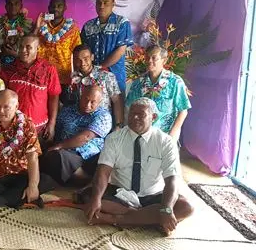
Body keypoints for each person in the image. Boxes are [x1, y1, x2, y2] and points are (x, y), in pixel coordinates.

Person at [78, 97, 194, 236]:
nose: (134, 117)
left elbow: (172, 179)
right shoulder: (114, 138)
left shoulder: (166, 142)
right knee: (91, 197)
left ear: (154, 117)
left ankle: (114, 219)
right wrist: (96, 199)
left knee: (186, 207)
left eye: (141, 114)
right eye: (132, 113)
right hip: (120, 193)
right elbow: (103, 172)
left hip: (153, 195)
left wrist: (167, 209)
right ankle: (149, 219)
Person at [0, 90, 55, 209]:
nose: (0, 111)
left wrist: (33, 185)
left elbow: (32, 157)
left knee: (46, 181)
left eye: (6, 107)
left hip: (20, 174)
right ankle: (19, 197)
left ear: (16, 106)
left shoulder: (26, 124)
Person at [41, 86, 112, 185]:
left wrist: (59, 146)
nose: (88, 105)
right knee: (47, 154)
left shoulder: (104, 116)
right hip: (66, 153)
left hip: (89, 157)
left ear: (99, 102)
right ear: (81, 96)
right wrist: (52, 144)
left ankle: (86, 180)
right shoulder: (68, 110)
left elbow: (86, 137)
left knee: (57, 157)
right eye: (86, 100)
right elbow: (58, 130)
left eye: (93, 102)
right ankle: (78, 180)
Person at [0, 35, 61, 142]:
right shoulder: (8, 70)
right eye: (21, 46)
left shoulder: (48, 69)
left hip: (40, 129)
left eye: (28, 47)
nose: (23, 50)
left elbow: (54, 97)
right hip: (13, 128)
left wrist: (52, 124)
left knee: (37, 158)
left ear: (37, 49)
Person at [125, 45, 191, 141]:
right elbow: (129, 108)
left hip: (165, 134)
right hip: (140, 135)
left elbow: (183, 110)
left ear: (164, 60)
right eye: (147, 57)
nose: (149, 61)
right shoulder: (138, 83)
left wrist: (172, 135)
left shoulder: (175, 82)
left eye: (154, 58)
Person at [80, 0, 134, 92]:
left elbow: (120, 50)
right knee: (93, 104)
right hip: (91, 75)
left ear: (113, 4)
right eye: (99, 3)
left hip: (115, 74)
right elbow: (84, 51)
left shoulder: (122, 23)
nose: (102, 6)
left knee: (117, 104)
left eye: (106, 2)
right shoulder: (88, 26)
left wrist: (100, 67)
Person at [70, 44, 124, 128]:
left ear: (92, 57)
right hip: (78, 123)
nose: (82, 63)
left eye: (85, 59)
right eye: (78, 60)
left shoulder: (106, 76)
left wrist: (118, 125)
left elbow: (117, 101)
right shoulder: (73, 78)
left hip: (100, 123)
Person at [35, 0, 82, 90]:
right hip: (41, 75)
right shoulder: (41, 25)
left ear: (65, 8)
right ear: (48, 8)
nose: (55, 8)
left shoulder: (72, 28)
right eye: (53, 6)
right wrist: (37, 27)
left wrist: (77, 74)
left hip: (63, 77)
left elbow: (78, 52)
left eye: (59, 6)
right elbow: (31, 43)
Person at [0, 0, 33, 66]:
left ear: (21, 6)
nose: (13, 6)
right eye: (10, 4)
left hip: (21, 64)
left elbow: (30, 47)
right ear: (5, 6)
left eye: (16, 4)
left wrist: (14, 54)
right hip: (2, 64)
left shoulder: (28, 24)